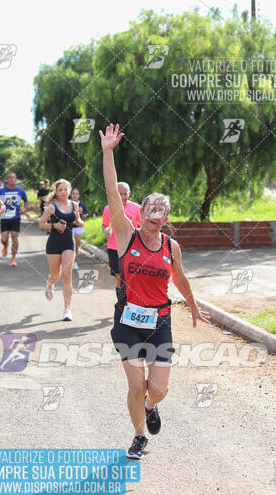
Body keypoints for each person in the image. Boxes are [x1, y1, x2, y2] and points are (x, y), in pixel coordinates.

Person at [99, 124, 210, 459]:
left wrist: (192, 304)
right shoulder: (125, 234)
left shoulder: (170, 246)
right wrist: (108, 152)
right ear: (141, 212)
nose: (155, 213)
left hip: (160, 321)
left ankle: (151, 406)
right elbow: (111, 193)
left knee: (157, 388)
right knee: (135, 383)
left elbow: (180, 278)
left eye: (162, 210)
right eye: (151, 208)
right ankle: (138, 436)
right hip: (129, 320)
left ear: (166, 218)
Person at [39, 179, 84, 322]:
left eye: (66, 189)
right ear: (56, 192)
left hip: (68, 243)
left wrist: (79, 222)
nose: (64, 192)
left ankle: (67, 310)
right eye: (60, 190)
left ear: (69, 190)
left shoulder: (75, 205)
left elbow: (76, 220)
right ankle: (50, 283)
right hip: (53, 243)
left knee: (66, 275)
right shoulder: (51, 207)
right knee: (55, 275)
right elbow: (41, 224)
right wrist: (55, 225)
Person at [102, 180, 141, 296]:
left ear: (129, 193)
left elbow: (143, 226)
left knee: (130, 275)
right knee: (119, 276)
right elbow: (104, 224)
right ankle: (121, 301)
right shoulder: (108, 209)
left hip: (131, 246)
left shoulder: (136, 208)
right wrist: (106, 231)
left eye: (125, 193)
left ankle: (130, 300)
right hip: (114, 247)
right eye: (119, 194)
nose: (123, 197)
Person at [0, 172, 29, 266]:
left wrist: (24, 209)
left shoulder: (21, 191)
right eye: (10, 178)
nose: (12, 179)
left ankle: (13, 258)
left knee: (14, 237)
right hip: (4, 218)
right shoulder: (2, 191)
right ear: (7, 180)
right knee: (4, 239)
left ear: (15, 179)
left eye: (14, 178)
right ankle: (5, 246)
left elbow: (26, 202)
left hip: (15, 218)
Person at [70, 187, 88, 270]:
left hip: (78, 227)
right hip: (69, 227)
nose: (75, 195)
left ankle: (74, 262)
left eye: (76, 194)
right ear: (71, 194)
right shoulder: (68, 203)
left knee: (76, 245)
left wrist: (81, 213)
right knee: (69, 245)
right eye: (73, 193)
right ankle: (68, 262)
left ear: (79, 195)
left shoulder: (82, 205)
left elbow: (84, 218)